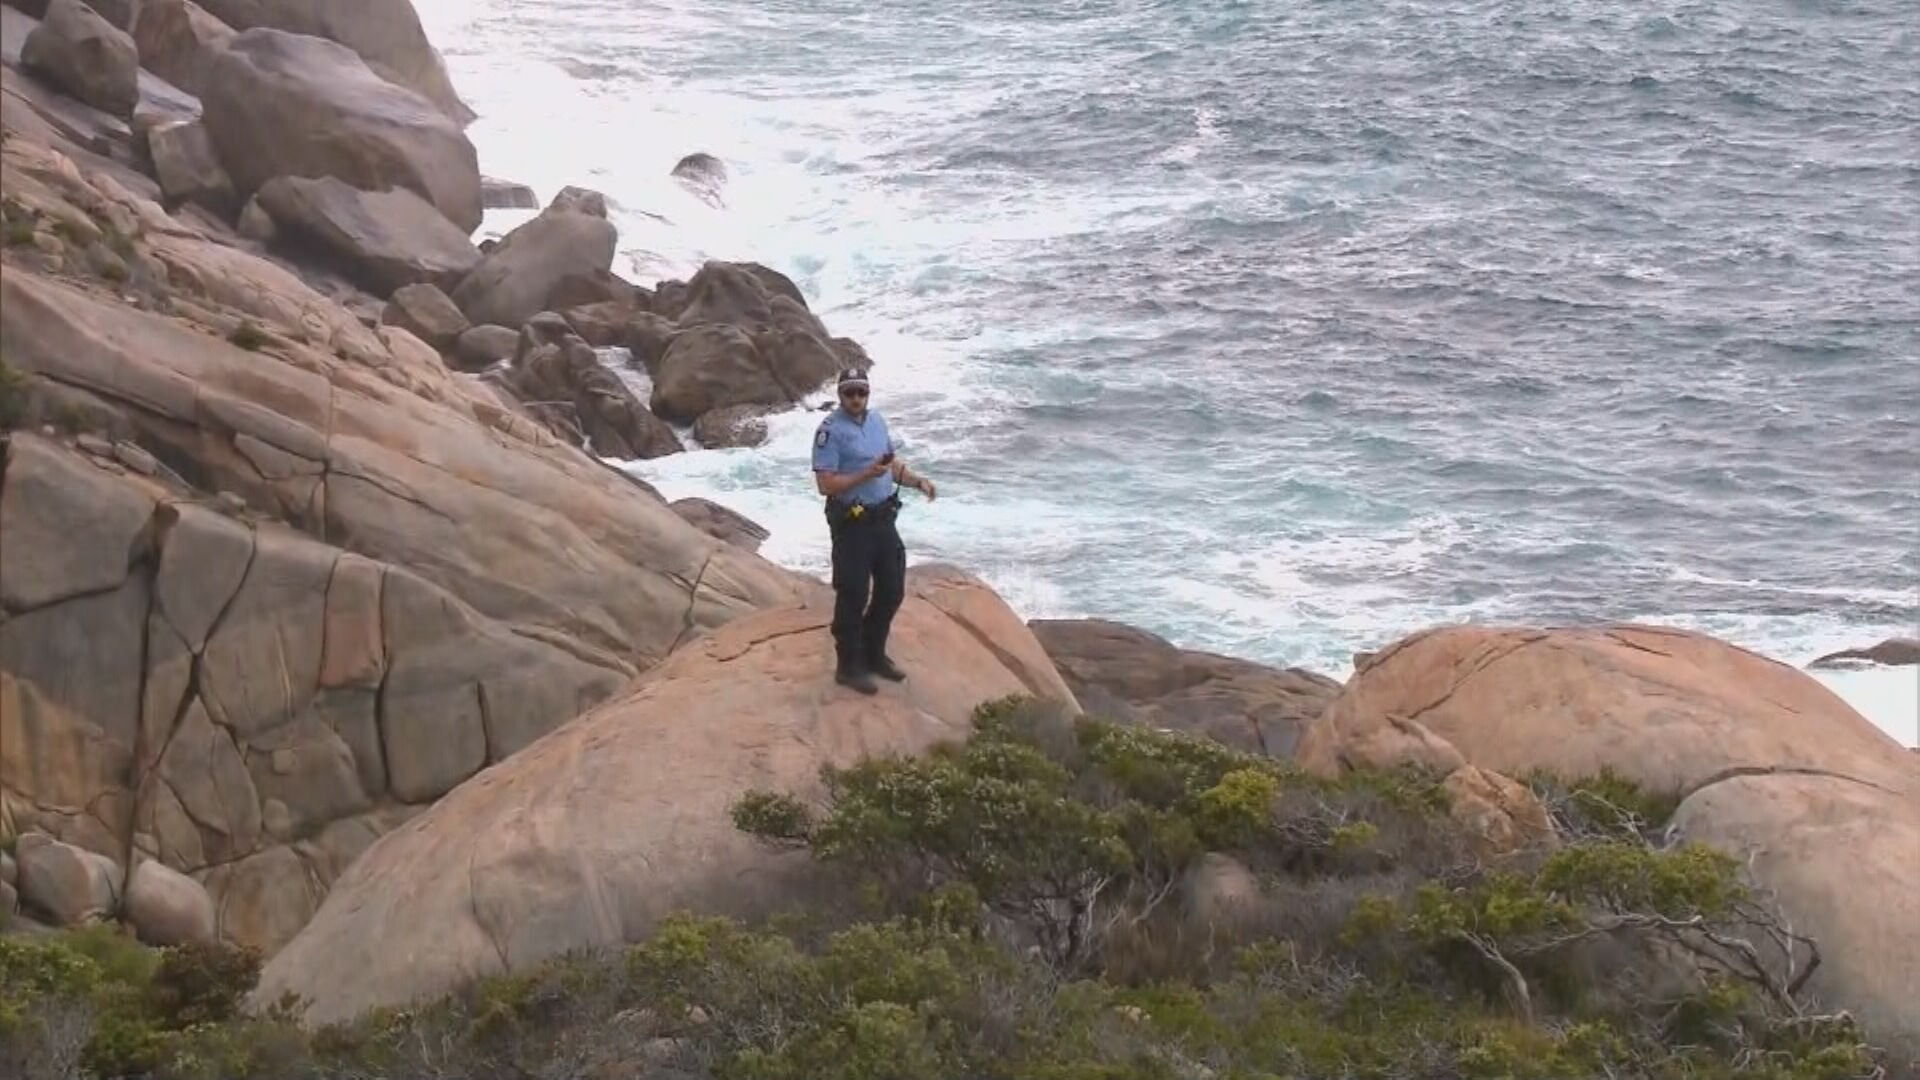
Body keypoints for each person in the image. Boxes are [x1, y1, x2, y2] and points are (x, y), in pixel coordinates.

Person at [812, 367, 938, 693]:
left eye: (861, 392)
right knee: (853, 593)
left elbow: (889, 465)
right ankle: (849, 666)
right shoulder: (829, 432)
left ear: (868, 394)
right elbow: (825, 484)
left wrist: (916, 481)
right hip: (852, 523)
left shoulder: (877, 421)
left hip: (883, 519)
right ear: (840, 395)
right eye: (849, 393)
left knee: (892, 589)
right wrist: (865, 475)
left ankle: (874, 653)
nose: (856, 398)